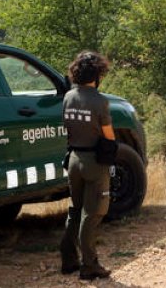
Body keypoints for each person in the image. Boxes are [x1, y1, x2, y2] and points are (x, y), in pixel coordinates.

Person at [59, 51, 115, 280]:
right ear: (98, 73)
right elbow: (109, 136)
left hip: (73, 160)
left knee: (75, 210)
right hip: (94, 161)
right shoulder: (100, 101)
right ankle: (90, 265)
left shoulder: (68, 97)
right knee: (92, 214)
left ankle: (68, 259)